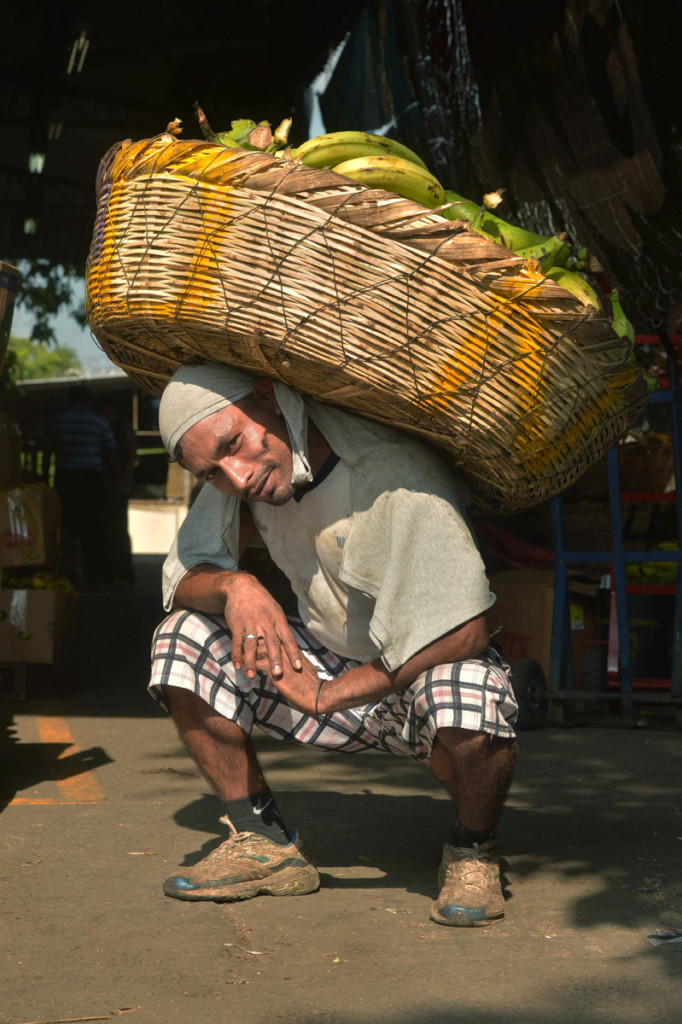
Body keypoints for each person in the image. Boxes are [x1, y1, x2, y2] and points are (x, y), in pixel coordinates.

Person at [149, 362, 518, 928]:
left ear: (270, 398)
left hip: (409, 678)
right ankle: (261, 843)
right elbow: (184, 580)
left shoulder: (389, 468)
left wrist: (331, 694)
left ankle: (473, 851)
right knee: (183, 636)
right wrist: (235, 585)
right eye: (212, 472)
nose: (237, 476)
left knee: (469, 688)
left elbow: (465, 629)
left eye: (234, 445)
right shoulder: (241, 475)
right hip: (320, 668)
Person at [45, 383, 119, 589]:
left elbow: (47, 452)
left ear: (69, 399)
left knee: (66, 528)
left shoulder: (57, 420)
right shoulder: (99, 421)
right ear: (89, 401)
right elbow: (111, 453)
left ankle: (65, 578)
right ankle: (95, 578)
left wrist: (44, 479)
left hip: (65, 478)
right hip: (91, 480)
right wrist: (115, 479)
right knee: (93, 529)